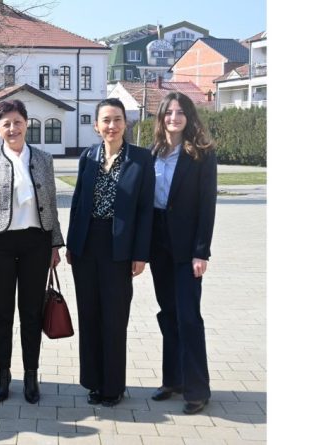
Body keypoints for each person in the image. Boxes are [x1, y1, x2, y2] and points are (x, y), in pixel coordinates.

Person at [0, 100, 63, 404]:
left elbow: (52, 204)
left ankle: (31, 375)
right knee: (2, 314)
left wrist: (55, 244)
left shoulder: (44, 159)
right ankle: (3, 374)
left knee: (32, 313)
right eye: (6, 123)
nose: (13, 128)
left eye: (18, 122)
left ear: (27, 124)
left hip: (36, 244)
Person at [65, 98, 155, 407]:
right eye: (106, 120)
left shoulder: (141, 159)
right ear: (96, 126)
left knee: (114, 318)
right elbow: (77, 201)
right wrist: (71, 244)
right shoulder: (88, 156)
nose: (112, 125)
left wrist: (140, 254)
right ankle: (93, 382)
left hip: (120, 247)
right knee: (89, 315)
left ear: (125, 123)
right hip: (86, 245)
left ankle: (113, 386)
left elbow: (145, 210)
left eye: (117, 119)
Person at [148, 92, 217, 415]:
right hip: (159, 245)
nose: (173, 118)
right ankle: (173, 380)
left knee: (188, 316)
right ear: (161, 117)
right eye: (168, 112)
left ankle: (197, 389)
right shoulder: (153, 152)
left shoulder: (202, 154)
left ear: (189, 117)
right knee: (168, 314)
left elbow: (207, 206)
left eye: (180, 112)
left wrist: (201, 252)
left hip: (188, 248)